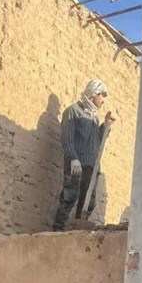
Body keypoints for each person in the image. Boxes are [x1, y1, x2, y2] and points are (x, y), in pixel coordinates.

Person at [53, 79, 116, 231]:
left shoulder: (94, 117)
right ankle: (59, 229)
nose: (103, 100)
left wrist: (106, 125)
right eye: (101, 95)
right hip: (76, 164)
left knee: (88, 202)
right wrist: (73, 158)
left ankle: (77, 229)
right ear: (93, 94)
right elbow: (67, 137)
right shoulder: (73, 111)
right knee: (69, 197)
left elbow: (97, 142)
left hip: (91, 166)